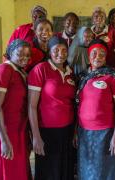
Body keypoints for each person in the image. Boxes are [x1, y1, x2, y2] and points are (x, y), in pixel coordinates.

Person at [76, 39, 115, 180]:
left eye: (102, 54)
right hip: (84, 132)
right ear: (89, 55)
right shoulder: (83, 76)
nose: (98, 57)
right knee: (86, 169)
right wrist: (76, 131)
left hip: (105, 133)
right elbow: (78, 106)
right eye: (94, 53)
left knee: (104, 171)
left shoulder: (113, 77)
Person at [28, 37, 75, 180]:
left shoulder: (70, 72)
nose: (60, 54)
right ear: (49, 51)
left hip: (67, 131)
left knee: (65, 169)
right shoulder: (40, 69)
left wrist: (74, 132)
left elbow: (72, 103)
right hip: (47, 132)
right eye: (56, 50)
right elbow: (31, 106)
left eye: (64, 50)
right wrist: (36, 136)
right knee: (49, 171)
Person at [0, 39, 31, 180]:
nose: (24, 58)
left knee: (15, 172)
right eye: (20, 54)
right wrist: (4, 140)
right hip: (3, 131)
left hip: (17, 130)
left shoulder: (19, 72)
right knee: (4, 172)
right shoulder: (4, 70)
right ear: (10, 53)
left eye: (27, 55)